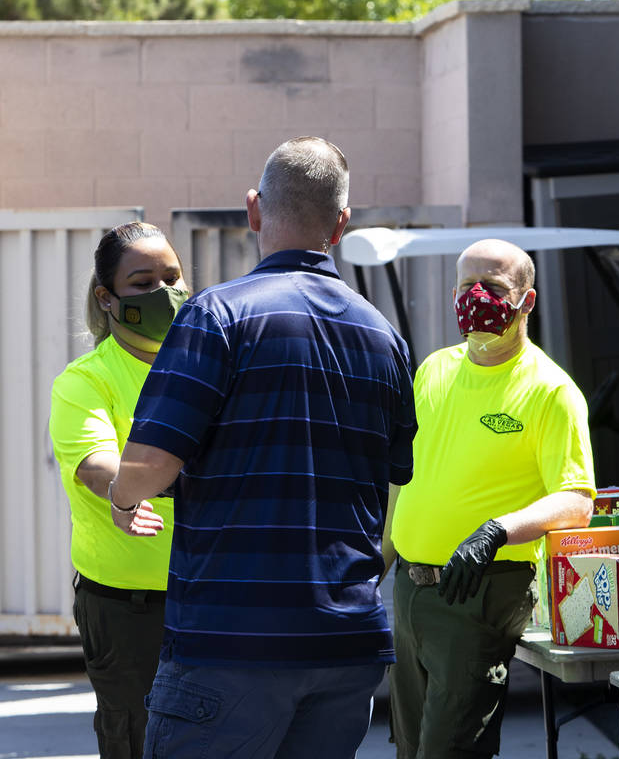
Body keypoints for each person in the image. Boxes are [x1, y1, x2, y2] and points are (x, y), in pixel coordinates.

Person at [106, 136, 417, 759]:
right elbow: (395, 479)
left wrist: (120, 496)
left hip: (232, 642)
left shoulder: (217, 317)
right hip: (346, 646)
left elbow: (147, 469)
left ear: (254, 210)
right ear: (341, 224)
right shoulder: (383, 337)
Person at [386, 237, 597, 759]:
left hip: (477, 591)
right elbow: (404, 476)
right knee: (409, 750)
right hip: (409, 591)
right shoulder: (433, 370)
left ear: (526, 301)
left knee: (448, 751)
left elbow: (576, 499)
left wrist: (494, 532)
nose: (476, 296)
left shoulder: (551, 390)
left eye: (494, 287)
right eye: (465, 285)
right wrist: (382, 554)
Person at [48, 221, 189, 759]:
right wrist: (125, 492)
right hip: (129, 611)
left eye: (172, 278)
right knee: (138, 739)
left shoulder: (207, 368)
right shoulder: (87, 380)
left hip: (210, 595)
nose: (164, 292)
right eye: (143, 281)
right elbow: (94, 464)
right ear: (107, 299)